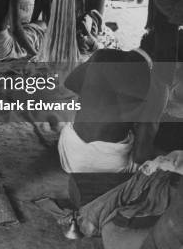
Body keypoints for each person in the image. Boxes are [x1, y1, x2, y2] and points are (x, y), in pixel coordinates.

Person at [58, 32, 167, 173]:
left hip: (69, 150)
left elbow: (71, 83)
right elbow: (141, 156)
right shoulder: (157, 86)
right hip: (106, 166)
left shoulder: (102, 55)